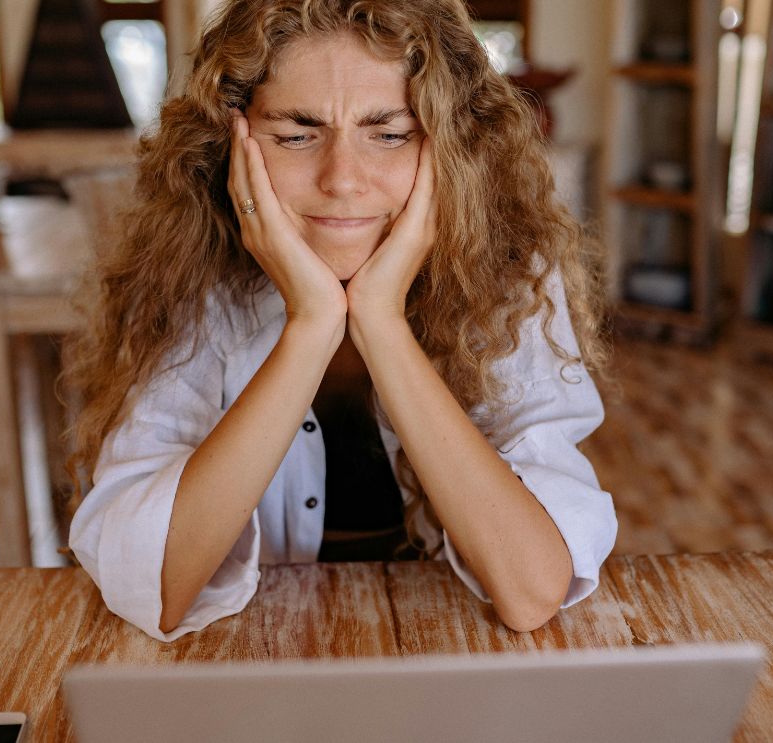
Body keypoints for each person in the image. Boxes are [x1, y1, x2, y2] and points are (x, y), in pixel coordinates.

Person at [66, 0, 616, 642]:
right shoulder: (194, 274)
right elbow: (154, 589)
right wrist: (312, 324)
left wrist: (381, 321)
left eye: (389, 134)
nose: (343, 180)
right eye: (297, 135)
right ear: (234, 145)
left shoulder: (510, 272)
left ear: (451, 149)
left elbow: (530, 590)